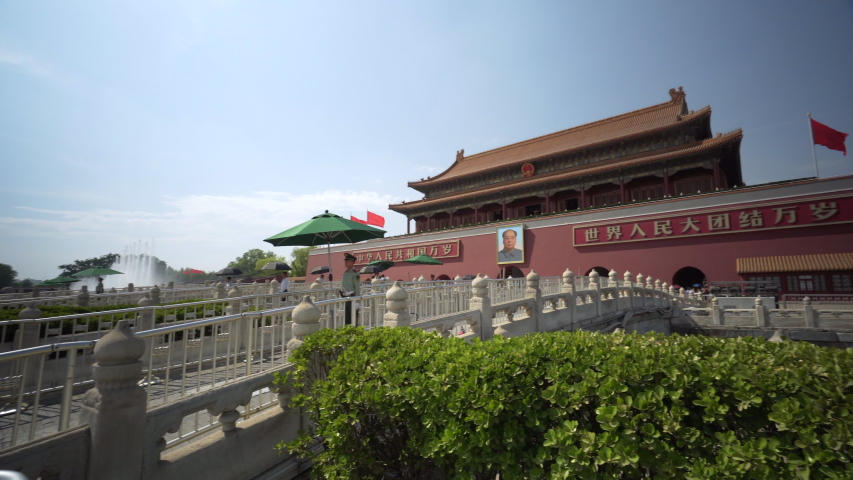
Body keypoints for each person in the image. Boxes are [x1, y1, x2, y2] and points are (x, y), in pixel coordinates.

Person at [341, 253, 361, 326]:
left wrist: (357, 301)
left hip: (353, 297)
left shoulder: (355, 273)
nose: (345, 262)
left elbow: (357, 287)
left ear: (352, 262)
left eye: (347, 261)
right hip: (346, 297)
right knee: (347, 318)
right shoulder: (345, 273)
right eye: (345, 261)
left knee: (353, 319)